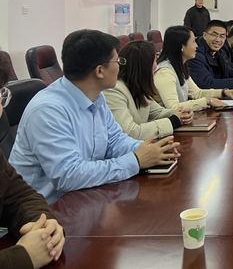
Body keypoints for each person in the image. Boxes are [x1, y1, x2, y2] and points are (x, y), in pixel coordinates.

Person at [10, 29, 181, 204]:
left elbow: (114, 140)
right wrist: (136, 160)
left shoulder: (96, 96)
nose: (120, 66)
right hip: (47, 210)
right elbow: (69, 176)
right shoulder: (48, 111)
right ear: (100, 71)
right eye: (118, 61)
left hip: (85, 197)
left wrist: (152, 150)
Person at [0, 68, 65, 268]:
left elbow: (20, 196)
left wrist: (43, 227)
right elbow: (69, 174)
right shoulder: (46, 108)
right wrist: (23, 257)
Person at [104, 40, 194, 140]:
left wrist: (180, 113)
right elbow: (130, 132)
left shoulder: (138, 86)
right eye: (154, 60)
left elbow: (157, 113)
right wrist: (173, 121)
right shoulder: (114, 91)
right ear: (144, 67)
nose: (156, 66)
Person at [155, 26, 233, 111]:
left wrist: (223, 92)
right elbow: (174, 108)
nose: (196, 46)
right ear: (182, 47)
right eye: (193, 42)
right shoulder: (165, 72)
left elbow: (197, 93)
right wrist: (207, 101)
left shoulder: (180, 66)